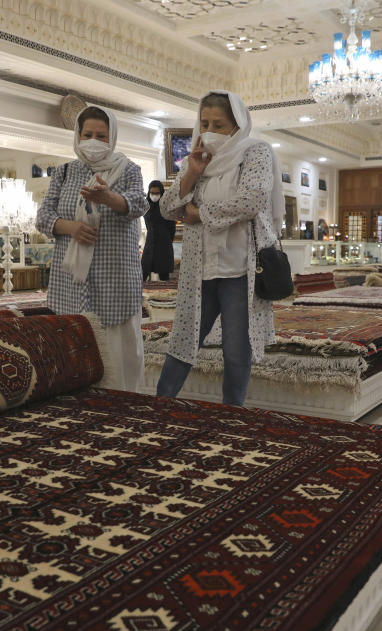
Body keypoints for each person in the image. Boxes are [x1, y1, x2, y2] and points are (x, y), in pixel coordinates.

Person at [155, 90, 284, 406]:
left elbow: (251, 200)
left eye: (219, 125)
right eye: (204, 123)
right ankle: (159, 405)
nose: (209, 131)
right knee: (183, 340)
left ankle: (232, 414)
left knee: (236, 350)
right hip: (200, 269)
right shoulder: (196, 162)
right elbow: (167, 208)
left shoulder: (255, 152)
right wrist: (192, 176)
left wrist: (200, 214)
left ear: (237, 126)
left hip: (241, 269)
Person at [36, 105, 146, 392]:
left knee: (117, 354)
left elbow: (138, 204)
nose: (93, 142)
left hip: (114, 280)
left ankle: (122, 404)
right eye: (87, 135)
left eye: (101, 135)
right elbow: (44, 217)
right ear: (77, 135)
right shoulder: (64, 173)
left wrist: (109, 197)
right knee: (73, 347)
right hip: (70, 282)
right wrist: (71, 227)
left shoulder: (129, 169)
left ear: (112, 138)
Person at [140, 180, 176, 281]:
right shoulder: (145, 205)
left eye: (157, 193)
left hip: (164, 245)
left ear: (161, 193)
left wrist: (167, 241)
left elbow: (172, 227)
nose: (154, 195)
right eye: (152, 193)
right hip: (150, 243)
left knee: (164, 276)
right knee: (143, 273)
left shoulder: (166, 206)